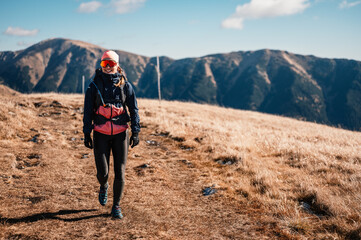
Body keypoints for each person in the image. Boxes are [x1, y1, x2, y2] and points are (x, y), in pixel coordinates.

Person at [83, 50, 140, 219]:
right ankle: (103, 185)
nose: (107, 67)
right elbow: (87, 112)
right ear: (101, 65)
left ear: (117, 65)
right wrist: (87, 133)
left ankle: (116, 206)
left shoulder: (126, 86)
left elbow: (134, 109)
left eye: (111, 64)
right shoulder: (93, 86)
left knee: (120, 172)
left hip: (121, 134)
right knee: (103, 173)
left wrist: (136, 131)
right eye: (104, 64)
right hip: (100, 133)